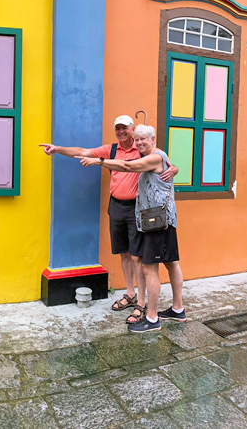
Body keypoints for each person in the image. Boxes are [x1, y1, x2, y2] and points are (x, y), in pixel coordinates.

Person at [40, 115, 177, 324]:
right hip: (116, 206)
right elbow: (82, 152)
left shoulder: (142, 150)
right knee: (124, 253)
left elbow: (158, 161)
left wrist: (174, 168)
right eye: (118, 129)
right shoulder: (112, 149)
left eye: (125, 128)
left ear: (134, 130)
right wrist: (58, 149)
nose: (122, 132)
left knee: (138, 257)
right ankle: (130, 294)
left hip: (136, 209)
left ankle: (141, 303)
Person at [78, 124, 185, 333]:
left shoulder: (155, 157)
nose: (139, 142)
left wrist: (98, 161)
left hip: (156, 223)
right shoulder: (159, 157)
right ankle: (178, 309)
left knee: (149, 268)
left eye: (143, 139)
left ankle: (152, 319)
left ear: (153, 139)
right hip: (164, 220)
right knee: (172, 263)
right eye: (137, 140)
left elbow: (127, 167)